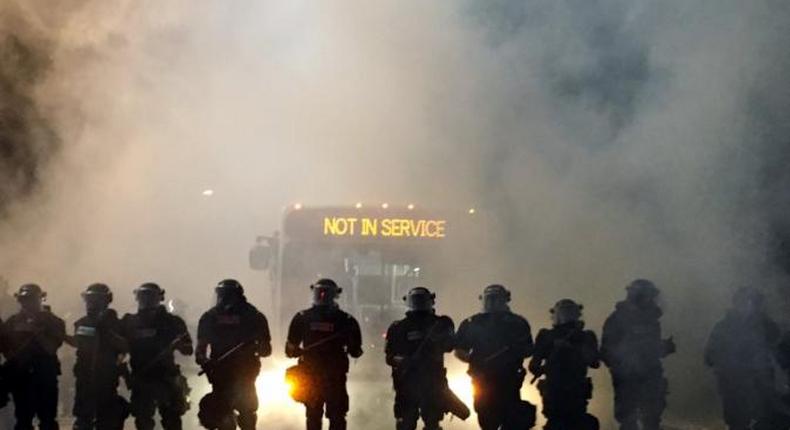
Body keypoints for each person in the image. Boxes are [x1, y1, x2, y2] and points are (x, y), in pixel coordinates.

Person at [455, 284, 535, 430]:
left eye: (496, 299)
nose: (492, 303)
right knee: (486, 419)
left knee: (510, 420)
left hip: (509, 378)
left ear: (505, 299)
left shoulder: (517, 323)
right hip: (482, 379)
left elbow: (529, 349)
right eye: (489, 299)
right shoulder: (472, 323)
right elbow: (459, 350)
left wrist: (514, 352)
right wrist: (474, 360)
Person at [285, 278, 363, 430]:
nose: (322, 296)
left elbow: (290, 350)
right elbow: (356, 351)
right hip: (331, 376)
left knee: (314, 415)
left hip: (318, 375)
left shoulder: (302, 318)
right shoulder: (346, 320)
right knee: (336, 417)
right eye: (320, 293)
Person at [196, 279, 271, 430]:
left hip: (245, 373)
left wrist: (253, 345)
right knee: (222, 417)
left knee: (247, 414)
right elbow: (200, 351)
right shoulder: (210, 317)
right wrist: (206, 362)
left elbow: (266, 350)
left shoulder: (253, 316)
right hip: (220, 374)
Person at [601, 279, 676, 430]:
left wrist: (663, 347)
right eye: (647, 296)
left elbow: (650, 346)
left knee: (652, 417)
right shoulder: (617, 319)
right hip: (627, 376)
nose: (651, 300)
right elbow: (607, 350)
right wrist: (622, 366)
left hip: (650, 373)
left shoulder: (651, 319)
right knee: (628, 419)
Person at [706, 287, 781, 430]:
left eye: (752, 302)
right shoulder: (723, 327)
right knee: (737, 422)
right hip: (734, 384)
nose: (748, 306)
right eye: (745, 301)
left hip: (758, 384)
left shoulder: (764, 325)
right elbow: (710, 356)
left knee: (764, 419)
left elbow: (776, 340)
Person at [122, 283, 193, 430]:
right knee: (143, 420)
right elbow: (118, 348)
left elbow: (188, 350)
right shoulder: (129, 321)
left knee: (171, 419)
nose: (147, 301)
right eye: (143, 297)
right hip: (141, 376)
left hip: (166, 377)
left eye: (150, 297)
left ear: (159, 298)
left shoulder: (172, 322)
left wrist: (178, 345)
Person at [385, 287, 456, 430]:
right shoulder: (398, 327)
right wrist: (404, 361)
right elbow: (390, 357)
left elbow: (450, 346)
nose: (419, 304)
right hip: (406, 383)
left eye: (422, 300)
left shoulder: (441, 323)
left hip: (432, 383)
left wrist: (438, 340)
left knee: (432, 423)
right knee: (405, 423)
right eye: (415, 300)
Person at [529, 299, 600, 430]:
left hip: (576, 388)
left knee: (578, 422)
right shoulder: (546, 335)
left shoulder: (586, 336)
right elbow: (534, 365)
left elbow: (594, 362)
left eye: (570, 312)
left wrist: (573, 348)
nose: (566, 316)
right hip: (554, 389)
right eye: (563, 312)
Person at [3, 283, 66, 430]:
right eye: (24, 300)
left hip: (45, 376)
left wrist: (37, 333)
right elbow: (5, 346)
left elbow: (51, 348)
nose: (27, 303)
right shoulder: (12, 322)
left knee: (48, 421)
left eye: (31, 299)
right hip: (21, 378)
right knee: (23, 420)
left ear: (40, 299)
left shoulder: (53, 321)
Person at [67, 283, 129, 430]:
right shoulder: (81, 323)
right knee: (82, 421)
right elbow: (78, 343)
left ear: (107, 300)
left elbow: (125, 347)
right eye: (89, 299)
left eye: (96, 299)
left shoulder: (116, 323)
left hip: (106, 379)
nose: (91, 303)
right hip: (84, 378)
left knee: (107, 420)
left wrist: (106, 331)